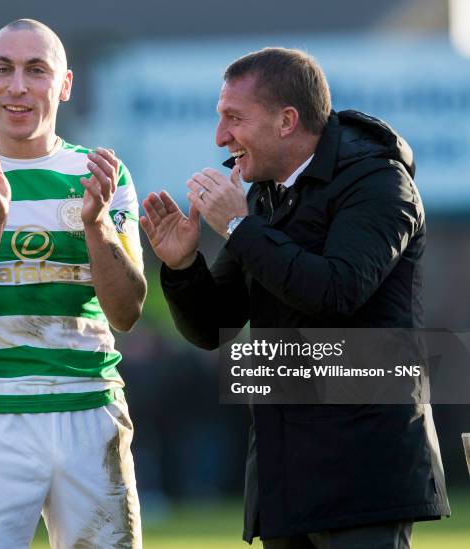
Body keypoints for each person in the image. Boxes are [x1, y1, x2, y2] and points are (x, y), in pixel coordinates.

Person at [141, 47, 449, 548]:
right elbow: (210, 326)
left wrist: (240, 227)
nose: (221, 137)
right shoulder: (264, 193)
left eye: (234, 119)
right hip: (285, 477)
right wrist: (181, 266)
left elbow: (335, 292)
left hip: (366, 475)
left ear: (287, 120)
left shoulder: (379, 183)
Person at [0, 19, 146, 549]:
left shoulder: (103, 174)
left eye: (36, 70)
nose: (18, 86)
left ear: (64, 85)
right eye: (4, 69)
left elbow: (126, 313)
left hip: (90, 410)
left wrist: (95, 223)